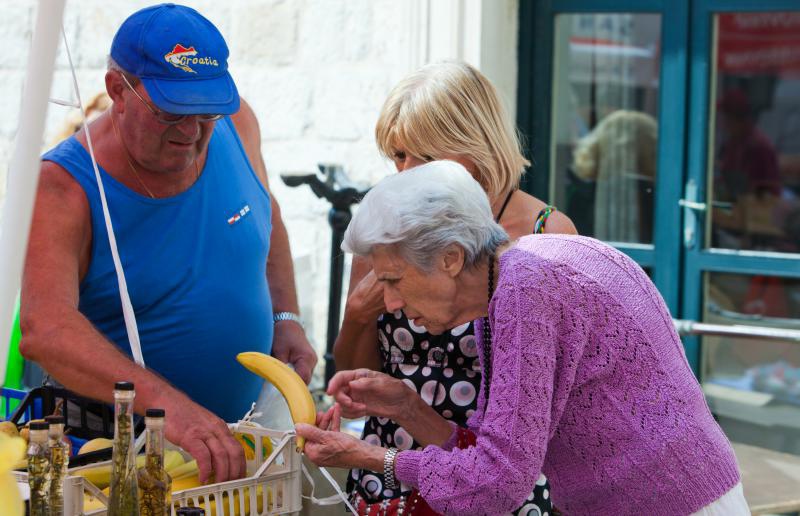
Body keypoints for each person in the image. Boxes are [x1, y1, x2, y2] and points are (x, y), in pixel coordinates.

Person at [299, 161, 746, 515]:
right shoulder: (513, 280)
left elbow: (498, 484)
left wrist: (369, 457)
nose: (390, 303)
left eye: (394, 280)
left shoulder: (527, 289)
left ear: (451, 258)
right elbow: (490, 454)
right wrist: (405, 406)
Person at [20, 3, 316, 484]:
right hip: (117, 453)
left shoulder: (237, 122)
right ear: (118, 89)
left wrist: (286, 318)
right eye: (170, 112)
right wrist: (170, 408)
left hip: (246, 434)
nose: (192, 132)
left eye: (206, 112)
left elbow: (268, 215)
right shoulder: (62, 186)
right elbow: (46, 330)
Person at [333, 61, 576, 513]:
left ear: (475, 144)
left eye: (424, 157)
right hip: (390, 469)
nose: (406, 173)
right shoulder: (385, 227)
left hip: (497, 478)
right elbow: (355, 379)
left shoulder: (545, 232)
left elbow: (556, 395)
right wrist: (358, 315)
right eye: (397, 157)